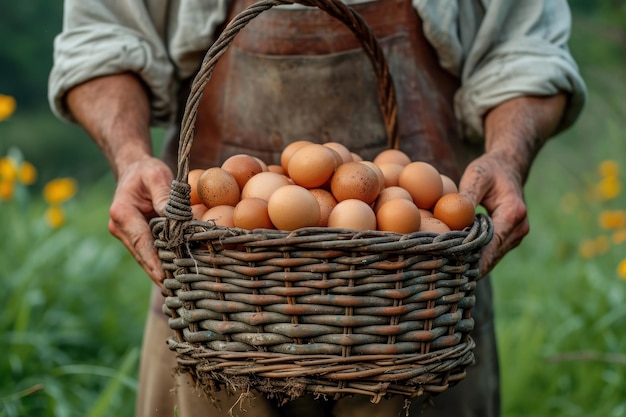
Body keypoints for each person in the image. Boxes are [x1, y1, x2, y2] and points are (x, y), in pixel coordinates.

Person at [49, 1, 586, 416]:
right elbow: (102, 37)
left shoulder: (398, 208)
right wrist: (130, 157)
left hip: (417, 299)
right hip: (218, 295)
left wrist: (507, 159)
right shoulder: (243, 205)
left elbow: (528, 54)